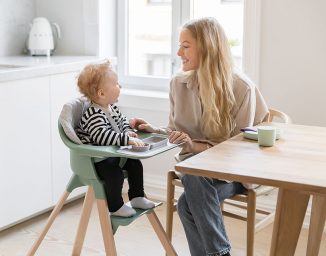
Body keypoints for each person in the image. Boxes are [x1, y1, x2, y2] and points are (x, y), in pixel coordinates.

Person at [129, 17, 269, 256]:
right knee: (192, 186)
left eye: (186, 46)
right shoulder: (178, 84)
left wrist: (194, 146)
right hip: (197, 170)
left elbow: (239, 150)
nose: (178, 52)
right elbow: (179, 132)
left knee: (187, 202)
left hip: (233, 172)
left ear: (207, 47)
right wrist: (154, 129)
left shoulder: (242, 88)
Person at [76, 61, 155, 217]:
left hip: (113, 154)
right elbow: (101, 137)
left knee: (135, 164)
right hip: (97, 159)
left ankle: (137, 196)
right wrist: (126, 140)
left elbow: (122, 123)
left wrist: (128, 132)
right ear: (102, 93)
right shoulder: (94, 114)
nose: (120, 86)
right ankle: (116, 206)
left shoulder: (112, 109)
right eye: (116, 84)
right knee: (115, 174)